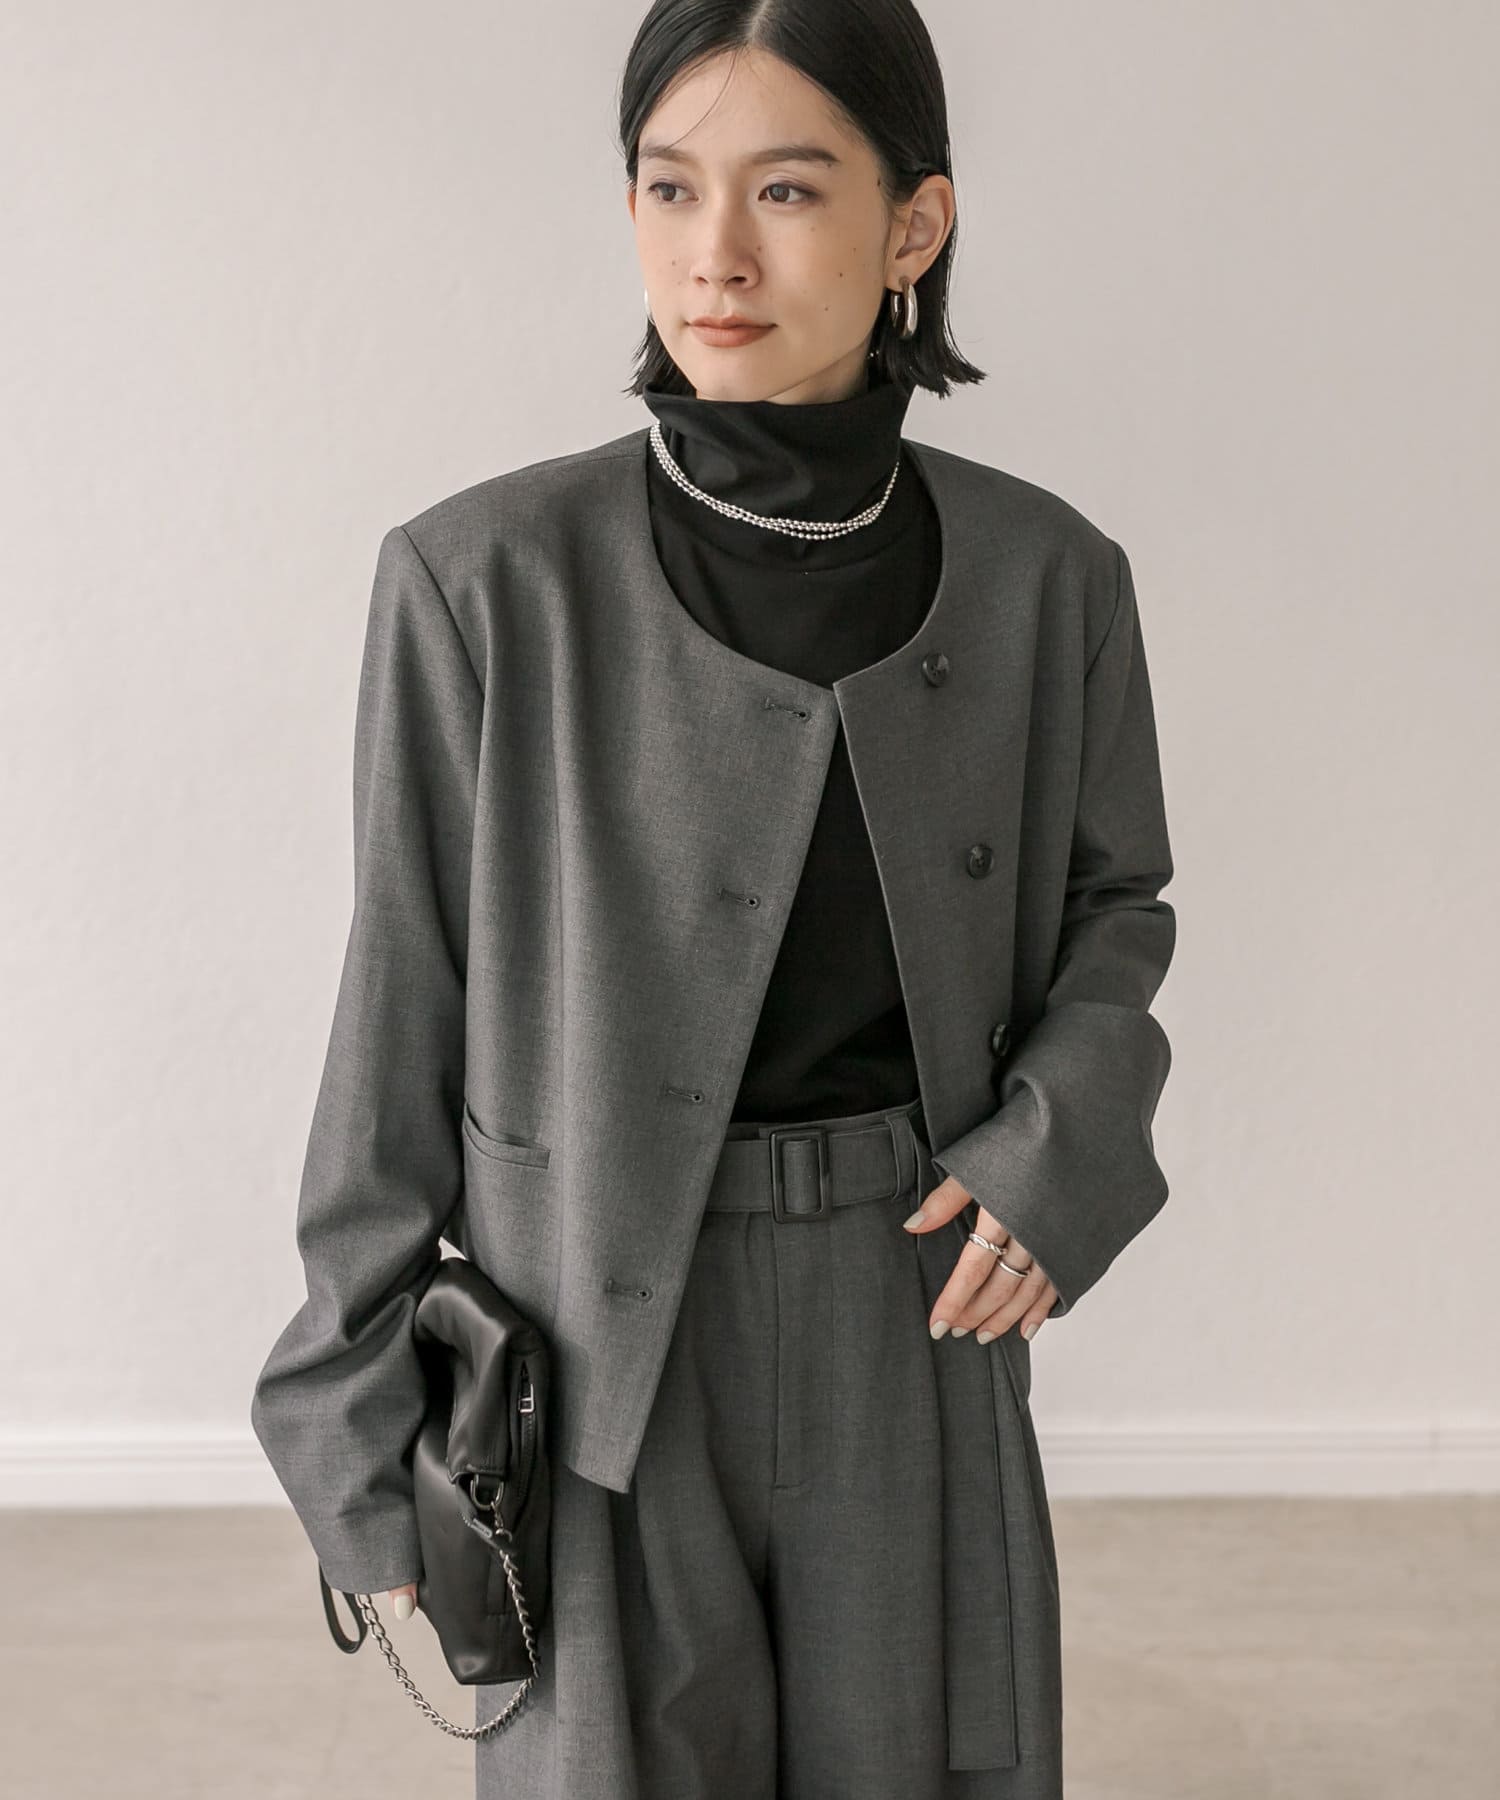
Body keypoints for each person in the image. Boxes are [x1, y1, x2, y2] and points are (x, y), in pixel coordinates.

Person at [251, 3, 1177, 1796]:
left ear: (915, 227)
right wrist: (350, 1409)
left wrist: (1056, 1145)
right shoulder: (481, 583)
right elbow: (403, 995)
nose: (715, 255)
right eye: (670, 188)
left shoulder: (1050, 579)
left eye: (789, 191)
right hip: (590, 1339)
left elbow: (1115, 902)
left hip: (912, 1313)